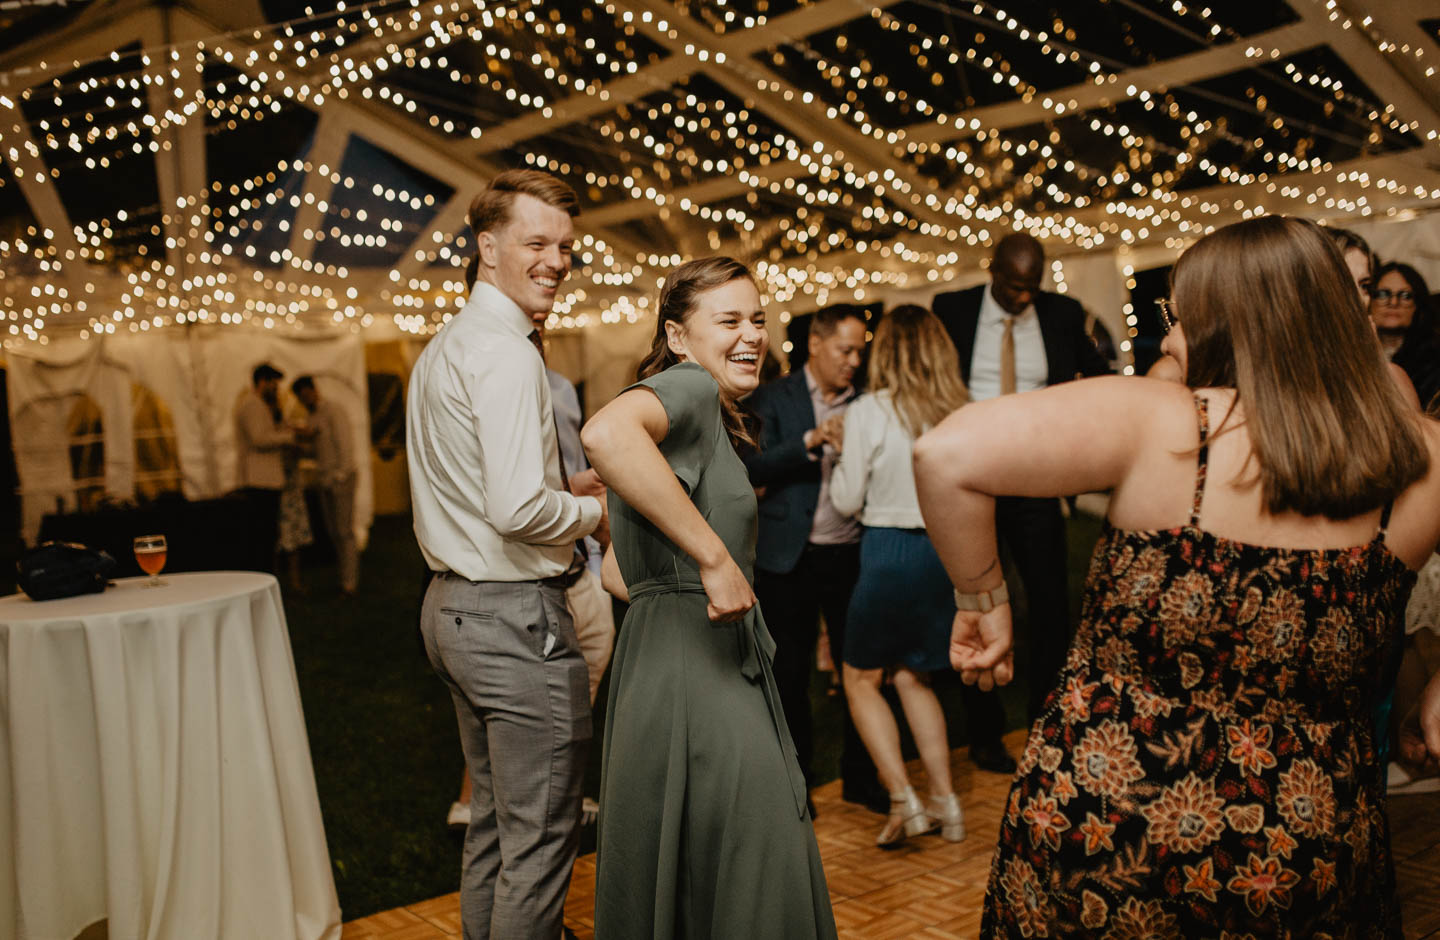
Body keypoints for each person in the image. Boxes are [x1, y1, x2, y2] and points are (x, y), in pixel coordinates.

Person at [914, 215, 1440, 936]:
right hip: (1304, 845)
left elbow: (943, 455)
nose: (1167, 339)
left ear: (1234, 319)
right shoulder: (1423, 453)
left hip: (1108, 832)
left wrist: (984, 598)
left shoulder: (1167, 422)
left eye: (1181, 316)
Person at [583, 256, 837, 939]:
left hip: (660, 668)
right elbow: (604, 434)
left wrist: (668, 570)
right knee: (759, 857)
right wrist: (716, 560)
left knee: (694, 867)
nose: (751, 335)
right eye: (728, 321)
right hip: (703, 672)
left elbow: (618, 574)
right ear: (678, 336)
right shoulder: (690, 386)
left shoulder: (703, 420)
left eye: (758, 319)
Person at [408, 169, 605, 940]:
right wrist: (596, 511)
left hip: (453, 611)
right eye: (536, 243)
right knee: (542, 836)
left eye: (564, 247)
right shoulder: (509, 353)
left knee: (495, 821)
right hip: (513, 621)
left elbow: (481, 488)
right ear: (487, 248)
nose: (556, 261)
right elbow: (518, 509)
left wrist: (562, 489)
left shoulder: (446, 346)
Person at [828, 304, 999, 846]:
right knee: (912, 675)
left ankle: (905, 799)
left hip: (887, 552)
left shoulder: (868, 411)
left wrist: (840, 452)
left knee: (860, 678)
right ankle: (947, 803)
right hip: (943, 554)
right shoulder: (961, 410)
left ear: (886, 352)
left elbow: (846, 500)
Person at [932, 233, 1111, 726]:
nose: (1025, 297)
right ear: (992, 271)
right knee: (975, 598)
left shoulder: (1063, 313)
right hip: (973, 479)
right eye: (1014, 287)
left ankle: (1047, 713)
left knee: (1050, 599)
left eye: (1033, 286)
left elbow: (1099, 377)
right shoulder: (952, 309)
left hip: (1036, 479)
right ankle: (983, 726)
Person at [741, 305, 888, 813]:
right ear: (817, 345)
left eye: (859, 352)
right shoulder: (772, 396)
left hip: (852, 554)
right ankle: (797, 786)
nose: (854, 361)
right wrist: (809, 441)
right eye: (846, 350)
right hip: (790, 557)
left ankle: (861, 778)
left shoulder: (867, 402)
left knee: (861, 670)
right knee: (790, 675)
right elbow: (751, 465)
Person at [234, 362, 309, 572]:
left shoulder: (261, 405)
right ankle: (264, 574)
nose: (277, 389)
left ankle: (268, 573)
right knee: (263, 535)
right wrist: (290, 437)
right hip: (260, 481)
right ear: (263, 382)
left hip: (267, 480)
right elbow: (259, 438)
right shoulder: (252, 405)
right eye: (274, 384)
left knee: (268, 534)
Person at [292, 375, 361, 595]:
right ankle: (344, 577)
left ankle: (350, 582)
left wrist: (340, 475)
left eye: (306, 393)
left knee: (344, 531)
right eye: (301, 397)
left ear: (314, 390)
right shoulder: (311, 417)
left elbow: (345, 444)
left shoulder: (333, 410)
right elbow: (318, 450)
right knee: (333, 531)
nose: (305, 399)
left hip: (340, 479)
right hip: (324, 480)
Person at [1370, 261, 1440, 410]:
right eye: (1383, 294)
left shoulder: (1433, 362)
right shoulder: (1352, 352)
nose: (1393, 302)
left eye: (1405, 296)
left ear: (1417, 305)